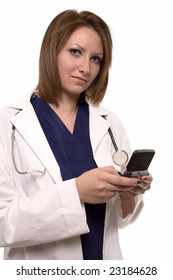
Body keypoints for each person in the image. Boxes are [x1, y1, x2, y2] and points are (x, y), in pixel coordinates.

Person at [0, 9, 152, 260]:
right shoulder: (8, 123)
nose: (86, 68)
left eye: (96, 59)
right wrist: (76, 193)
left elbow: (120, 220)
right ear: (52, 51)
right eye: (75, 52)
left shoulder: (110, 123)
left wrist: (128, 190)